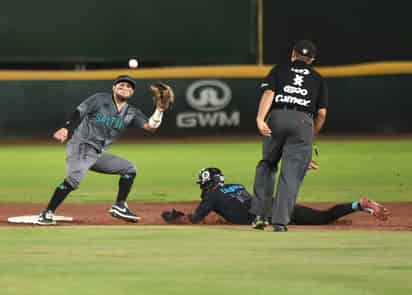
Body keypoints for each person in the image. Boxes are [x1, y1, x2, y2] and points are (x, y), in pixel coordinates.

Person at [37, 75, 170, 225]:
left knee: (129, 169)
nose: (125, 88)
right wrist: (67, 128)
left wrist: (159, 110)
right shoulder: (100, 99)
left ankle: (120, 206)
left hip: (97, 152)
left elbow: (150, 126)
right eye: (121, 85)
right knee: (73, 181)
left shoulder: (132, 112)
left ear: (132, 92)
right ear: (113, 88)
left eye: (129, 87)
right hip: (81, 146)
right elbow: (79, 112)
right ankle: (46, 213)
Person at [251, 40, 328, 232]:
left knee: (267, 164)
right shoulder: (318, 78)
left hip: (277, 117)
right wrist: (309, 141)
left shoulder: (280, 69)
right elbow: (322, 114)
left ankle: (261, 216)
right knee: (291, 174)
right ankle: (280, 223)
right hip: (303, 122)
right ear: (312, 59)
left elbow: (269, 93)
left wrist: (260, 119)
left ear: (293, 54)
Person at [163, 168, 389, 226]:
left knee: (319, 220)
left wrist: (175, 216)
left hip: (267, 215)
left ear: (207, 184)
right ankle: (358, 204)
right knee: (323, 217)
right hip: (273, 203)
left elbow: (194, 220)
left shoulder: (210, 198)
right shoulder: (236, 185)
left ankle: (359, 204)